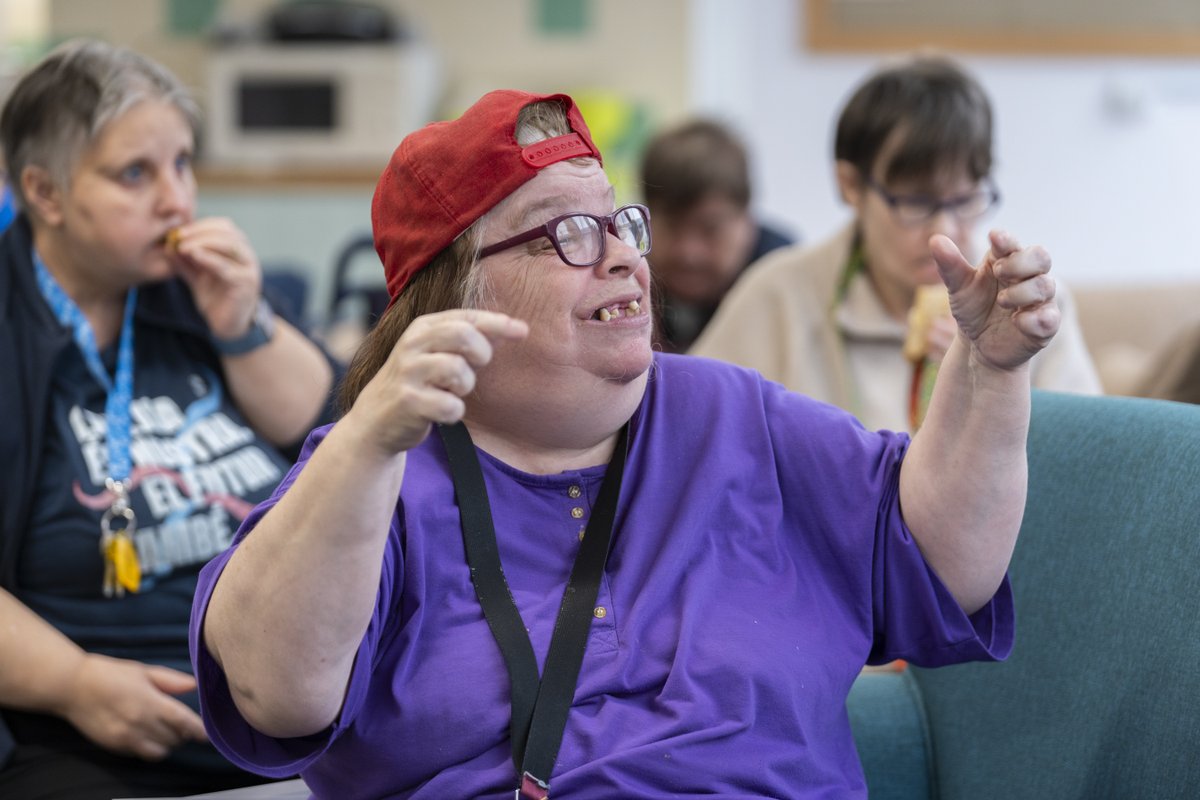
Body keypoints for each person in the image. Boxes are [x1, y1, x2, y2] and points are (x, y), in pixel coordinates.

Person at [191, 88, 1061, 799]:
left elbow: (944, 562)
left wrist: (990, 372)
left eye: (618, 222)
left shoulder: (733, 416)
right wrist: (366, 446)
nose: (622, 258)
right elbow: (275, 695)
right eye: (565, 233)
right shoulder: (379, 468)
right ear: (456, 293)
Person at [0, 39, 340, 799]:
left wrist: (241, 322)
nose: (177, 200)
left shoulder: (189, 289)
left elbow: (333, 432)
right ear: (45, 193)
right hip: (99, 743)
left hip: (294, 717)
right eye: (136, 174)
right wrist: (75, 683)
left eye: (183, 164)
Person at [693, 54, 1101, 433]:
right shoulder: (779, 295)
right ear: (851, 185)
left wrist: (1000, 384)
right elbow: (689, 430)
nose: (944, 232)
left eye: (964, 201)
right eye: (916, 202)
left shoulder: (1027, 308)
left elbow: (1088, 467)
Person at [640, 118, 793, 352]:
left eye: (710, 229)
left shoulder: (785, 283)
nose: (688, 252)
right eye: (671, 226)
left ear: (746, 216)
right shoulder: (626, 273)